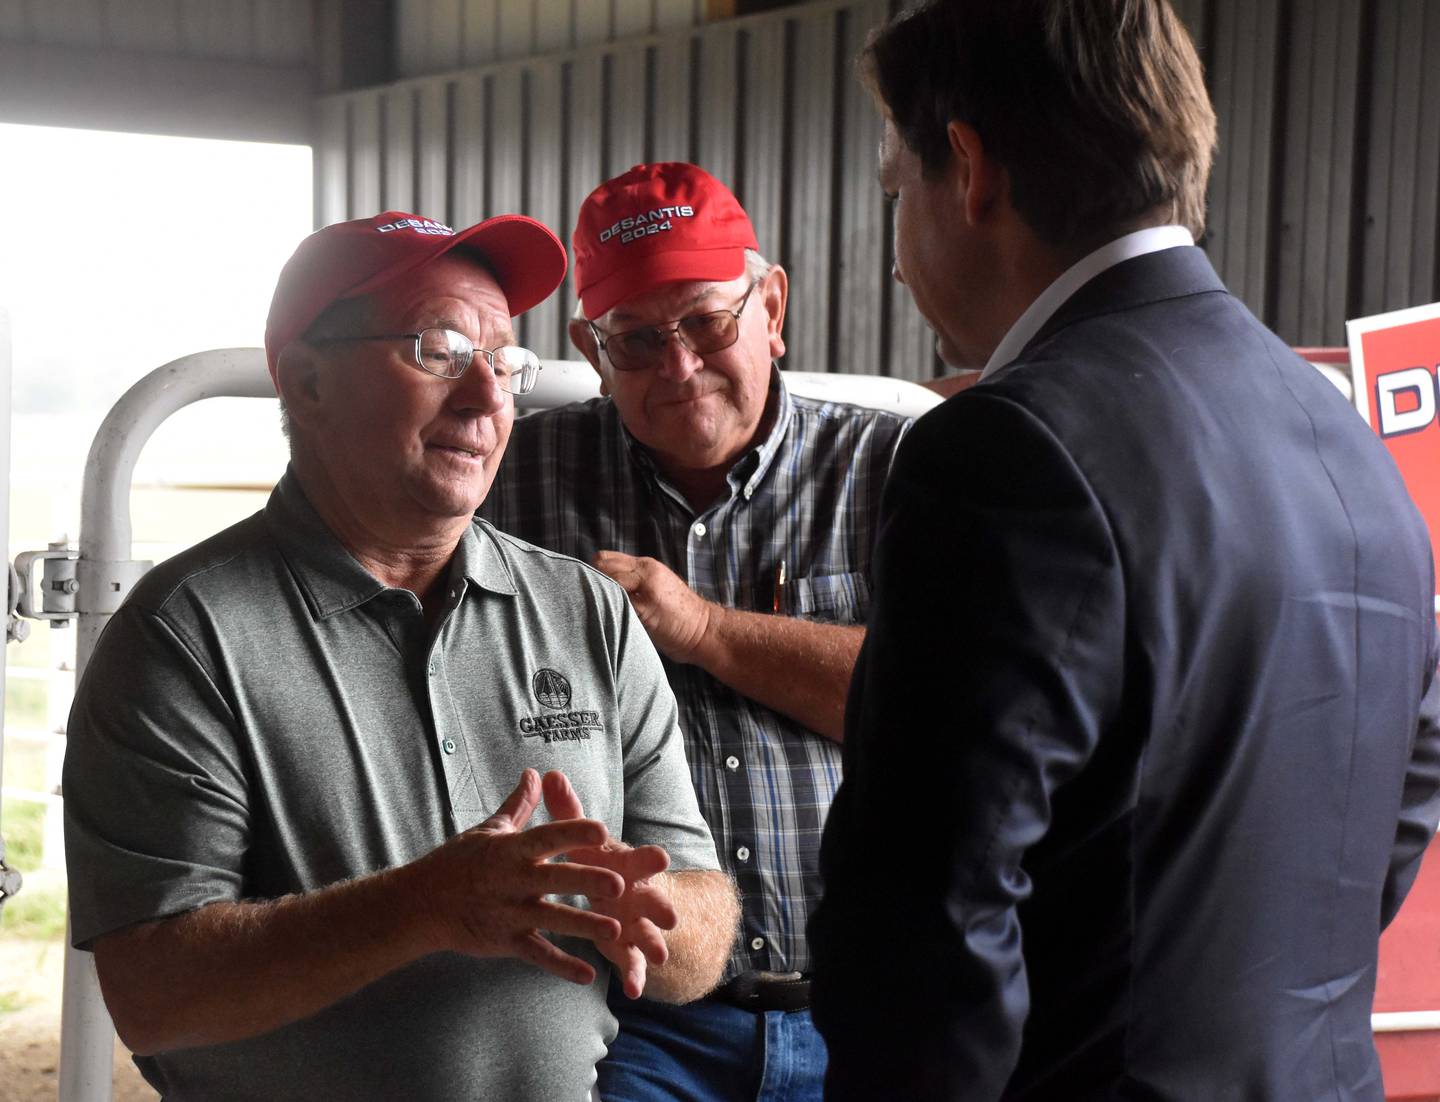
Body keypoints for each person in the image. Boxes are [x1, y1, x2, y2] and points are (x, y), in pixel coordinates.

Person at [810, 2, 1440, 1099]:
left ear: (968, 169)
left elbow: (926, 935)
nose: (901, 263)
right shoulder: (1343, 434)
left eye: (891, 189)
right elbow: (1399, 792)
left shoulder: (1002, 450)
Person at [62, 209, 738, 1102]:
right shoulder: (184, 635)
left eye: (503, 361)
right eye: (440, 348)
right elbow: (151, 995)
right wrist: (423, 907)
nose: (489, 398)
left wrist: (645, 906)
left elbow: (699, 934)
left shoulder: (588, 613)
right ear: (305, 381)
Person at [479, 162, 910, 1100]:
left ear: (772, 304)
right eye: (635, 340)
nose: (678, 367)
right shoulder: (511, 485)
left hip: (878, 1010)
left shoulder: (896, 467)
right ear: (590, 350)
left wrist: (705, 628)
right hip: (627, 1022)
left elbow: (946, 712)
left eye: (708, 322)